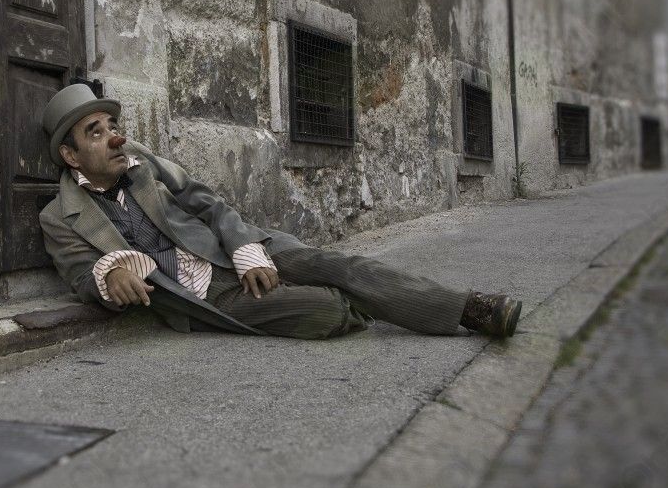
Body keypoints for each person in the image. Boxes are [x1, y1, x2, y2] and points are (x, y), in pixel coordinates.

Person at [39, 83, 522, 340]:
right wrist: (109, 274)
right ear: (70, 155)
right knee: (327, 310)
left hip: (239, 251)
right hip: (208, 297)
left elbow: (208, 202)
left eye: (113, 125)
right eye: (97, 133)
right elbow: (81, 275)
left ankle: (469, 309)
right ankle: (370, 300)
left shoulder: (142, 162)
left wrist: (245, 247)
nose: (116, 138)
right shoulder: (59, 217)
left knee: (341, 266)